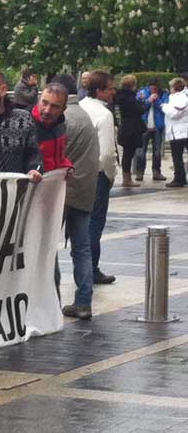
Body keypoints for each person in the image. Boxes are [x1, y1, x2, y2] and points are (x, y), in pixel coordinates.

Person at [47, 75, 99, 320]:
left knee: (48, 246)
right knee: (82, 248)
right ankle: (84, 301)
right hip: (85, 189)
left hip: (62, 190)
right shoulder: (85, 115)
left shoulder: (64, 119)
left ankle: (52, 299)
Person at [79, 70, 118, 286]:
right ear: (100, 90)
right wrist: (111, 175)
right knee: (95, 223)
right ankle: (91, 268)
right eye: (110, 88)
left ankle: (82, 269)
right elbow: (106, 154)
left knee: (79, 225)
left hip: (76, 174)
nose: (113, 92)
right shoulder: (104, 115)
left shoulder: (78, 108)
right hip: (97, 175)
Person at [116, 75, 147, 187]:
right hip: (132, 128)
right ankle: (127, 179)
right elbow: (140, 110)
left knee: (127, 154)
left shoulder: (122, 96)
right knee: (128, 154)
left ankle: (126, 177)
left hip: (125, 127)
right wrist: (143, 102)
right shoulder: (130, 97)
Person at [136, 80, 168, 182]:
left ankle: (156, 172)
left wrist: (157, 101)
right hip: (144, 126)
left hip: (157, 127)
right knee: (141, 151)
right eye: (151, 88)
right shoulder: (142, 93)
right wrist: (148, 100)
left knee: (157, 152)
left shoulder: (164, 95)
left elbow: (165, 108)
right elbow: (138, 106)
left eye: (155, 89)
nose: (153, 90)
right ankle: (140, 172)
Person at [162, 78, 188, 187]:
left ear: (175, 87)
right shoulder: (178, 97)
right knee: (177, 157)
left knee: (177, 157)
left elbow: (175, 113)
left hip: (179, 131)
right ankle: (180, 178)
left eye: (171, 87)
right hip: (178, 131)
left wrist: (164, 106)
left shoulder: (180, 98)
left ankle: (179, 179)